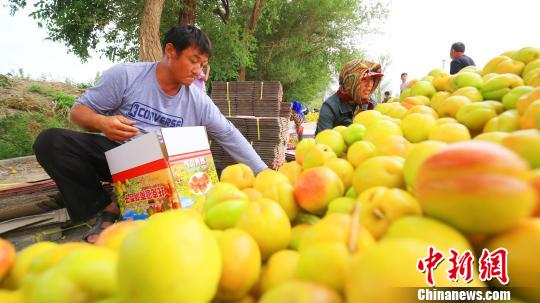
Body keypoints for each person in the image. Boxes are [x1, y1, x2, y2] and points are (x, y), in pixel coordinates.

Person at [32, 25, 268, 243]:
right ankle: (100, 207)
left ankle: (120, 205)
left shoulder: (198, 100)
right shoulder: (126, 76)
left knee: (216, 175)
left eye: (202, 65)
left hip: (168, 172)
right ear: (170, 50)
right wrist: (101, 122)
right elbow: (78, 112)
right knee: (50, 142)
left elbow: (228, 134)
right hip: (121, 159)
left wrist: (264, 173)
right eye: (193, 61)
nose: (198, 71)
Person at [316, 60, 383, 134]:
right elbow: (323, 140)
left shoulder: (371, 104)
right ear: (350, 81)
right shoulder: (330, 106)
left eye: (372, 79)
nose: (369, 84)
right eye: (364, 79)